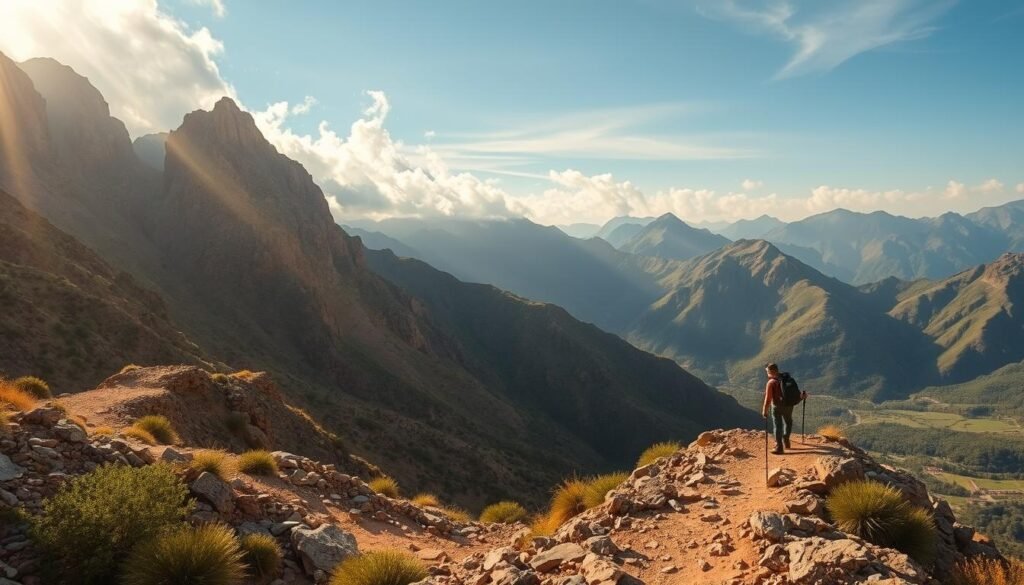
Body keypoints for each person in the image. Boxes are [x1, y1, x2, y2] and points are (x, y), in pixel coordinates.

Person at [760, 363, 805, 454]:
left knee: (777, 425)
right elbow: (795, 393)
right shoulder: (787, 379)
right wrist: (802, 397)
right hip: (789, 405)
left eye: (767, 372)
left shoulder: (771, 382)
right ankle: (786, 439)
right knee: (788, 422)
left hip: (777, 406)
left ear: (771, 371)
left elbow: (768, 399)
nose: (767, 374)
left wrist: (764, 411)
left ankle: (779, 447)